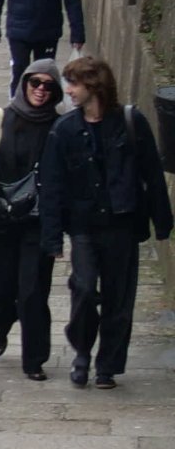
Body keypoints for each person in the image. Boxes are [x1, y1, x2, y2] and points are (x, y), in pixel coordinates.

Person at [38, 57, 174, 390]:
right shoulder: (64, 130)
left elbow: (152, 173)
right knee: (84, 289)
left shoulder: (130, 122)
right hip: (83, 225)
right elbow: (52, 187)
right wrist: (52, 238)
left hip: (122, 224)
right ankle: (82, 351)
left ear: (93, 85)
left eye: (74, 84)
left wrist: (162, 221)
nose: (68, 90)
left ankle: (107, 367)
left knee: (119, 300)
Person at [0, 61, 64, 383]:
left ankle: (34, 360)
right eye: (35, 83)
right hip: (1, 221)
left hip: (38, 223)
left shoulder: (60, 126)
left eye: (48, 86)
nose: (41, 90)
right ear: (24, 83)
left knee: (33, 292)